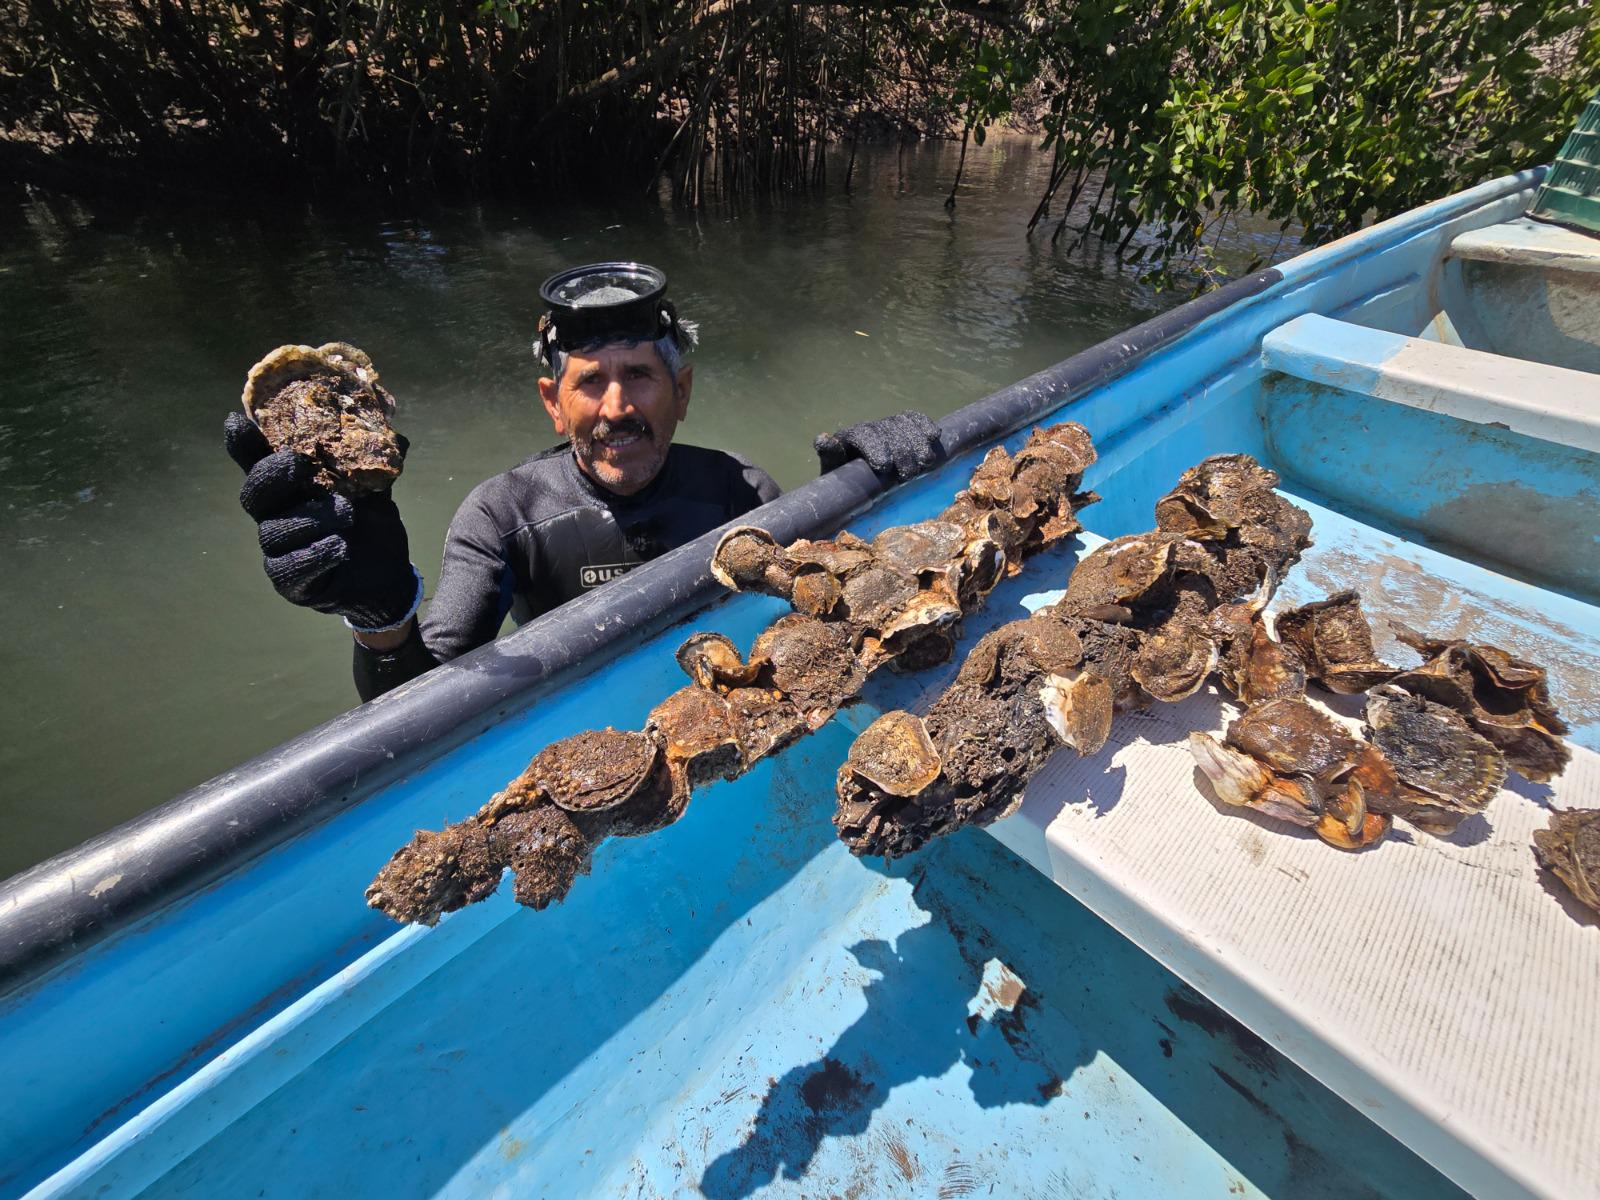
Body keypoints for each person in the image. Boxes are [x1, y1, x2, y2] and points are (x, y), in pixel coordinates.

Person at [225, 262, 945, 701]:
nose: (617, 407)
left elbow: (827, 616)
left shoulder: (739, 492)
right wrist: (380, 617)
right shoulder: (501, 515)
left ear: (682, 391)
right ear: (552, 401)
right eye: (590, 382)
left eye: (640, 376)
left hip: (721, 712)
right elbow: (422, 697)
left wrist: (857, 498)